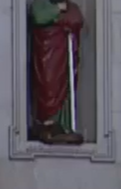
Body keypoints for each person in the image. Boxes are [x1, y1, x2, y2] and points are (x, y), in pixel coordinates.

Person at [29, 0, 86, 145]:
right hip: (47, 54)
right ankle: (46, 123)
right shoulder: (40, 4)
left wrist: (56, 18)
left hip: (64, 55)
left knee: (65, 88)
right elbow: (39, 17)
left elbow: (76, 19)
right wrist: (58, 11)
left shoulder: (71, 7)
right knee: (48, 86)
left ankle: (63, 125)